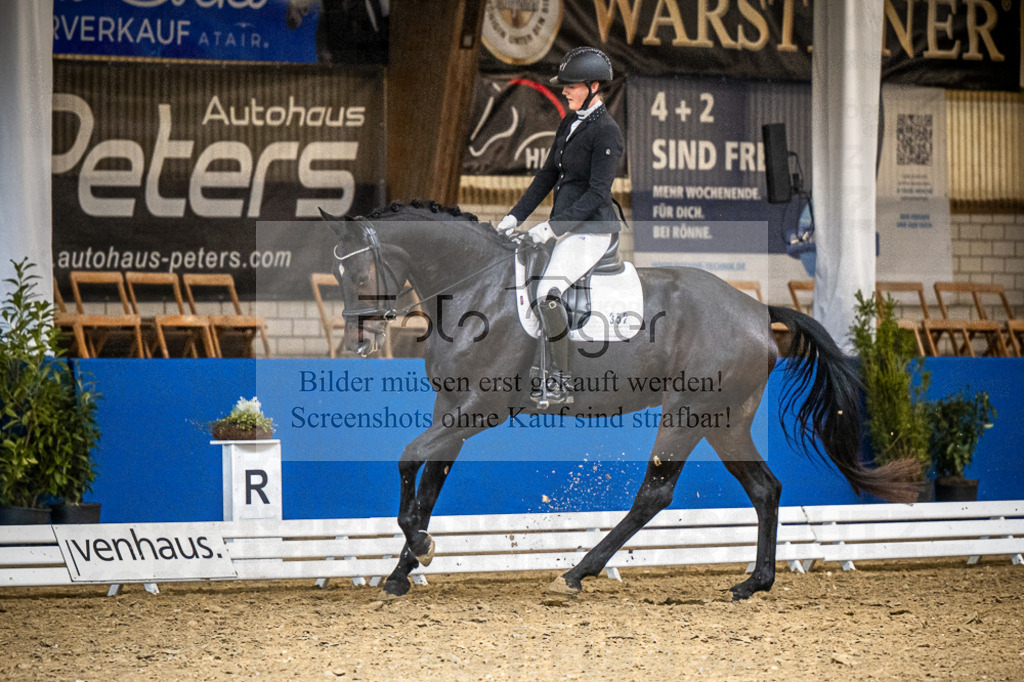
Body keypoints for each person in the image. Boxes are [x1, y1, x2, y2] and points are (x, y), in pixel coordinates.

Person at [496, 46, 623, 407]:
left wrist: (552, 228)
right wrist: (515, 217)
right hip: (567, 227)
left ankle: (560, 380)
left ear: (594, 87)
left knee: (546, 294)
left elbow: (598, 194)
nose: (564, 91)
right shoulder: (570, 122)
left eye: (572, 85)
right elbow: (548, 174)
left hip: (591, 230)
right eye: (564, 85)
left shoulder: (607, 132)